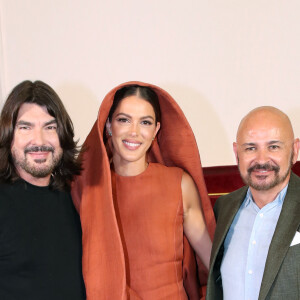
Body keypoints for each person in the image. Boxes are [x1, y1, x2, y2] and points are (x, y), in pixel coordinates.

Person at [72, 81, 216, 300]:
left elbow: (213, 263)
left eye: (145, 122)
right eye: (124, 120)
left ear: (156, 130)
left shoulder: (179, 184)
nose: (134, 132)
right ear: (109, 125)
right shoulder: (89, 189)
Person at [0, 80, 86, 299]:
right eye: (25, 127)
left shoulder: (77, 199)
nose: (39, 140)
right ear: (8, 135)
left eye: (50, 127)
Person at [206, 106, 300, 300]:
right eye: (250, 147)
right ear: (236, 152)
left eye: (273, 146)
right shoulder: (223, 208)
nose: (262, 160)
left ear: (295, 150)